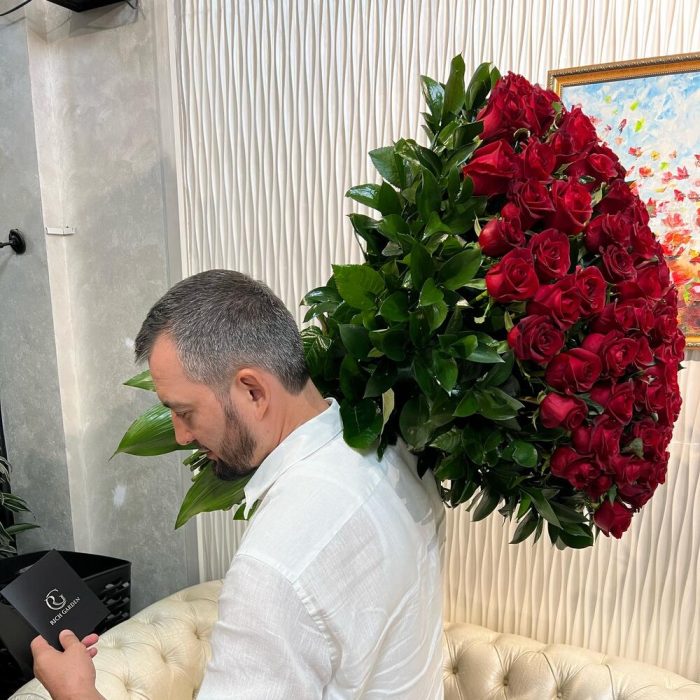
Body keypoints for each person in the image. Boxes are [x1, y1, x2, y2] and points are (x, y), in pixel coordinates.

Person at [31, 269, 446, 699]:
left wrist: (75, 692)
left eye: (185, 412)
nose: (180, 436)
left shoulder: (275, 566)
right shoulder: (394, 452)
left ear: (252, 391)